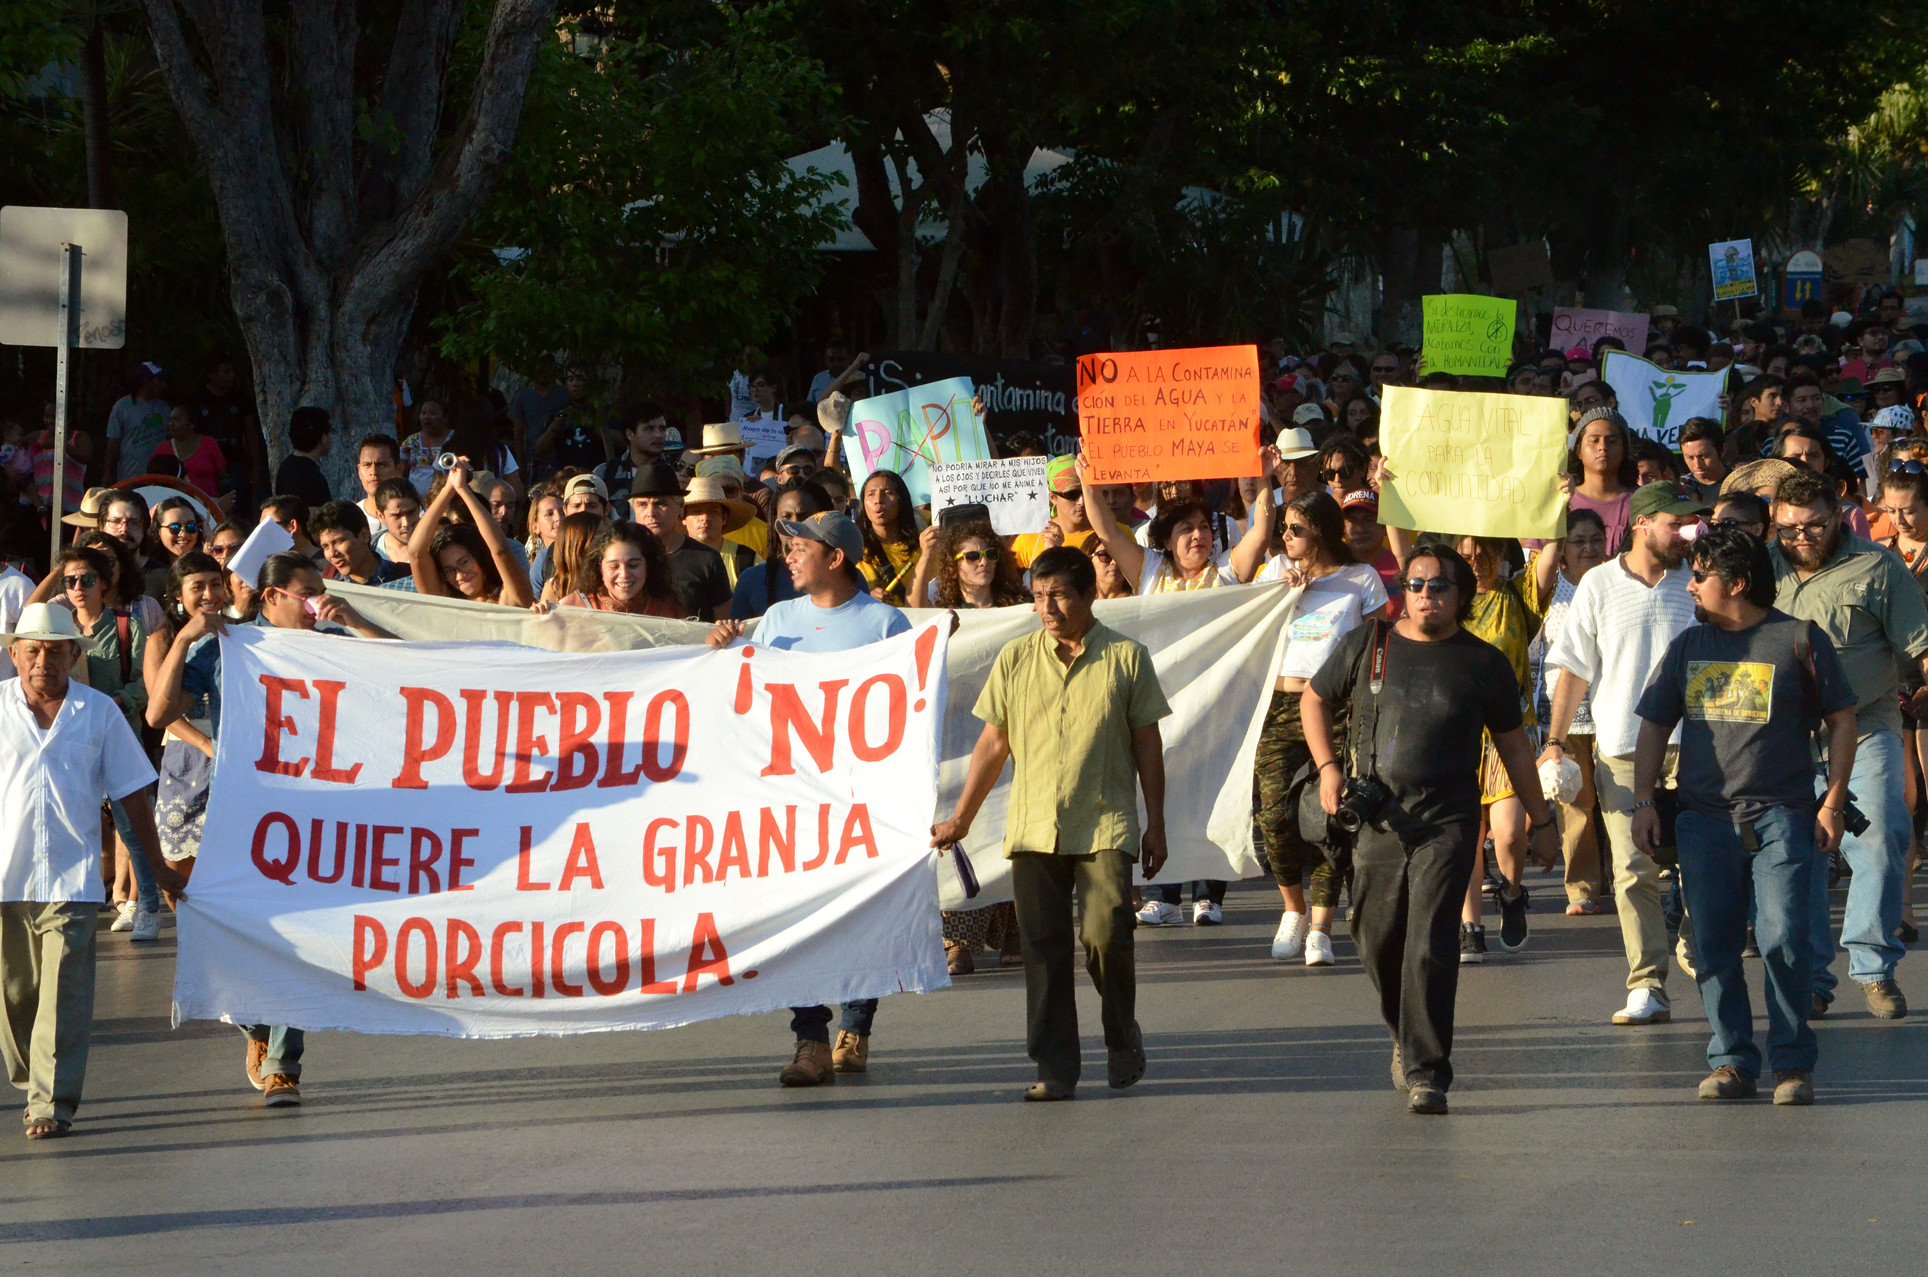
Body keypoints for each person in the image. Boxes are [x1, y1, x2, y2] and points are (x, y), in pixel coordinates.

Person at [1303, 544, 1557, 1115]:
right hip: (1378, 818)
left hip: (1448, 820)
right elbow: (1315, 700)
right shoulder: (1369, 647)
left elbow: (1515, 748)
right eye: (1415, 585)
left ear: (1462, 596)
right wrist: (1327, 768)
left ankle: (1427, 1071)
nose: (1425, 596)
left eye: (1439, 586)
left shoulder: (1484, 663)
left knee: (1430, 944)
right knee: (1375, 937)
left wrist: (1542, 821)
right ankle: (1405, 1034)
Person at [148, 553, 388, 1108]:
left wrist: (353, 619)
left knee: (297, 931)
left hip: (308, 810)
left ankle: (283, 1062)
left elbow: (411, 670)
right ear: (271, 595)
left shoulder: (330, 640)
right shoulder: (229, 647)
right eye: (306, 591)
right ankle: (253, 1024)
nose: (315, 602)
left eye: (320, 591)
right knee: (226, 926)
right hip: (238, 810)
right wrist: (185, 640)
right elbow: (160, 715)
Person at [931, 547, 1169, 1102]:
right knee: (1042, 947)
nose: (1047, 607)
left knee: (1106, 934)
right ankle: (1056, 1066)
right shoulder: (1015, 658)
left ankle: (1120, 1034)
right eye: (1039, 595)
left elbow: (1147, 746)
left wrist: (1156, 824)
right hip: (1034, 825)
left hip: (1104, 822)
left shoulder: (1127, 658)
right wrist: (961, 818)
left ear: (1088, 596)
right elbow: (994, 742)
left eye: (1059, 594)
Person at [1633, 527, 1856, 1106]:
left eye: (1701, 576)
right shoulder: (1686, 647)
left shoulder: (1798, 638)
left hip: (1783, 815)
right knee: (1713, 945)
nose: (1693, 587)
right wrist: (1641, 803)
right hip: (1703, 821)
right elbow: (1655, 723)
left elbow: (1842, 720)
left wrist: (1831, 801)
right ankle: (1731, 1059)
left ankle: (1792, 1065)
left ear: (1735, 583)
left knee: (1783, 938)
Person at [705, 512, 910, 1086]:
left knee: (860, 916)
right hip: (792, 798)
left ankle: (856, 1027)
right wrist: (724, 647)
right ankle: (810, 1039)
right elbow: (750, 695)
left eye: (800, 548)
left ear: (836, 558)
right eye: (787, 547)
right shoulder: (776, 619)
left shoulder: (883, 624)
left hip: (860, 799)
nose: (788, 556)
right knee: (793, 919)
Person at [1, 602, 181, 1139]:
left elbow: (132, 796)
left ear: (75, 656)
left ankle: (50, 1103)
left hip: (72, 880)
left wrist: (159, 870)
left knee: (64, 994)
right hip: (5, 879)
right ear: (14, 654)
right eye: (33, 650)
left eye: (56, 652)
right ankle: (31, 1081)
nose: (43, 662)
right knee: (13, 1000)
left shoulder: (99, 711)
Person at [1541, 482, 1704, 1024]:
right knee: (1634, 872)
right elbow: (1574, 670)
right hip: (1623, 751)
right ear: (1641, 523)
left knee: (1702, 866)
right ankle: (1647, 984)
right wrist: (1556, 742)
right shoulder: (1597, 584)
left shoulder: (1701, 583)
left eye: (1692, 524)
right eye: (1677, 524)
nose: (1689, 534)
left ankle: (1691, 937)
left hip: (1699, 749)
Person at [1770, 467, 1928, 1020]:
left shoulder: (1877, 565)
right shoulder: (1761, 570)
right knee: (1798, 856)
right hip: (1787, 735)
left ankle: (1874, 966)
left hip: (1866, 723)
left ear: (1839, 515)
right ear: (1775, 522)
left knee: (1883, 829)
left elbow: (1922, 642)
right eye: (1789, 528)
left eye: (1814, 524)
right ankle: (1812, 977)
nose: (1802, 537)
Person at [1253, 491, 1390, 964]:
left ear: (1323, 533)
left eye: (1297, 530)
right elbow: (1249, 629)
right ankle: (1291, 907)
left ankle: (1321, 925)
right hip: (1278, 706)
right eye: (1284, 529)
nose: (1286, 538)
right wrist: (1280, 596)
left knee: (1328, 815)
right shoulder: (1275, 573)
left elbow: (1378, 646)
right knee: (1273, 814)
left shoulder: (1361, 579)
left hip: (1336, 710)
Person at [1524, 508, 1609, 914]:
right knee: (1576, 803)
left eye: (1596, 538)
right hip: (1563, 717)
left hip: (1613, 712)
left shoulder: (1617, 584)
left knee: (1616, 801)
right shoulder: (1548, 590)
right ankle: (1582, 888)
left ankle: (1620, 876)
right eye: (1579, 541)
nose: (1590, 548)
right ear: (1562, 551)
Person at [405, 458, 536, 608]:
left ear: (481, 557)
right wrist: (449, 487)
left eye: (465, 562)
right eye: (449, 571)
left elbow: (500, 549)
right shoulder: (444, 599)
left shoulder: (508, 596)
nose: (460, 576)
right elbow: (415, 552)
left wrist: (463, 489)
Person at [627, 464, 731, 620]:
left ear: (681, 506)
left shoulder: (707, 559)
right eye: (642, 504)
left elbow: (724, 626)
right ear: (633, 509)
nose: (650, 513)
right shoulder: (621, 558)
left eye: (660, 504)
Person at [730, 480, 831, 620]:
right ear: (774, 520)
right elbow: (739, 637)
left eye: (804, 517)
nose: (794, 524)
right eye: (786, 516)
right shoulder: (751, 579)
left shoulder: (845, 578)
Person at [543, 524, 683, 618]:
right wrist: (539, 618)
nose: (624, 574)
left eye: (633, 565)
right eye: (614, 566)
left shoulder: (666, 610)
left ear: (648, 567)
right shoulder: (575, 609)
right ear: (600, 568)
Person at [1567, 408, 1639, 554]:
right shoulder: (1563, 500)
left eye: (1612, 441)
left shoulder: (1640, 501)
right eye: (1594, 440)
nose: (1603, 447)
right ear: (1579, 450)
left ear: (1624, 449)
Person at [1011, 457, 1095, 568]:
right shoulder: (1029, 540)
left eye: (1086, 492)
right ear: (1052, 497)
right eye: (1072, 495)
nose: (1081, 501)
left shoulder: (1113, 533)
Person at [856, 470, 923, 605]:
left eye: (887, 493)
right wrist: (865, 598)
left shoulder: (922, 546)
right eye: (871, 494)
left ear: (901, 500)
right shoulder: (854, 550)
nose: (878, 501)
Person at [680, 477, 759, 591]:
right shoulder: (671, 558)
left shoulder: (747, 560)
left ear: (724, 518)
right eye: (697, 511)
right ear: (683, 518)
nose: (705, 518)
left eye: (712, 512)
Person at [312, 500, 411, 585]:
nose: (332, 553)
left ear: (364, 535)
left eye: (339, 542)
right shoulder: (326, 582)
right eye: (325, 546)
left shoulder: (406, 578)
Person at [104, 362, 170, 481]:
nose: (163, 386)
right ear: (145, 381)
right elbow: (113, 443)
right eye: (159, 381)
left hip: (159, 476)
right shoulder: (122, 406)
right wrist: (108, 473)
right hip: (130, 476)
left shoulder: (164, 408)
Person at [150, 404, 229, 503]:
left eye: (177, 420)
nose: (171, 424)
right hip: (175, 508)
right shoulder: (162, 449)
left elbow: (222, 476)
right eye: (170, 420)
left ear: (192, 424)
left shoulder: (209, 443)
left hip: (210, 506)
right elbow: (153, 482)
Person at [594, 401, 670, 500]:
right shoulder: (605, 473)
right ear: (630, 434)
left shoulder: (675, 472)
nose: (658, 435)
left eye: (662, 429)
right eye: (649, 429)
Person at [273, 407, 336, 511]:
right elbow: (319, 518)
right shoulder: (312, 476)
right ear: (323, 438)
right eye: (330, 432)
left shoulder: (285, 467)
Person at [508, 361, 570, 459]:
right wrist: (520, 462)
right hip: (533, 457)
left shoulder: (565, 394)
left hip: (561, 456)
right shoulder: (522, 397)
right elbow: (518, 433)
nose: (543, 372)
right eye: (539, 369)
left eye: (547, 368)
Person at [400, 399, 457, 495]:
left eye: (432, 413)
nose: (426, 417)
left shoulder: (455, 439)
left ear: (445, 418)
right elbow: (400, 471)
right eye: (423, 413)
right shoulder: (411, 441)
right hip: (417, 503)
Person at [354, 435, 404, 537]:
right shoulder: (350, 518)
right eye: (367, 465)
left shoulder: (416, 516)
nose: (373, 472)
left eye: (381, 465)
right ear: (359, 471)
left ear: (398, 469)